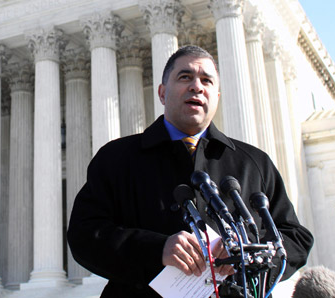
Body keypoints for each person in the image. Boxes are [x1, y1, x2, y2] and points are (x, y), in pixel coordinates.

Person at [67, 45, 314, 297]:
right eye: (185, 77)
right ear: (162, 93)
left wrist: (246, 256)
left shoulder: (254, 163)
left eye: (206, 80)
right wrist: (158, 250)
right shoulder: (117, 158)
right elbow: (84, 235)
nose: (197, 86)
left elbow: (295, 237)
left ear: (217, 96)